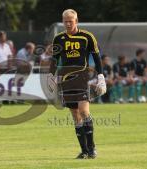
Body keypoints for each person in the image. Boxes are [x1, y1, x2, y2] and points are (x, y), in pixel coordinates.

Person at [48, 9, 106, 159]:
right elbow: (54, 59)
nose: (68, 24)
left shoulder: (87, 37)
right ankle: (84, 151)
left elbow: (97, 57)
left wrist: (100, 76)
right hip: (65, 78)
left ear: (76, 21)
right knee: (75, 114)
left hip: (82, 76)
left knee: (83, 110)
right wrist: (51, 76)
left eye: (70, 21)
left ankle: (92, 148)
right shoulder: (58, 39)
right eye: (65, 21)